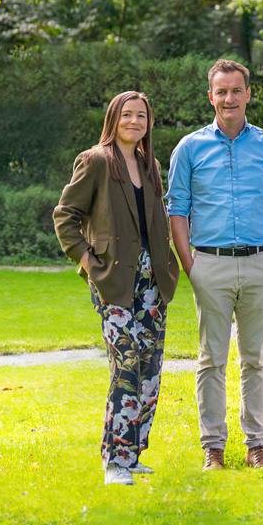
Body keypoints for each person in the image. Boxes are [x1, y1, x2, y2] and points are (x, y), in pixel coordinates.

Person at [166, 59, 263, 472]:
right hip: (211, 264)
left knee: (256, 358)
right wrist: (191, 265)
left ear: (248, 94)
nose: (229, 98)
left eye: (236, 90)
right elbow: (177, 210)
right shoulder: (189, 148)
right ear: (211, 97)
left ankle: (258, 444)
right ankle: (213, 448)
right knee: (211, 359)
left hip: (260, 264)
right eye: (221, 91)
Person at [54, 91, 179, 485]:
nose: (134, 122)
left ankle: (133, 453)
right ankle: (115, 462)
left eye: (141, 116)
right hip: (114, 279)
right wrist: (89, 262)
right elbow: (65, 216)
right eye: (127, 114)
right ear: (114, 118)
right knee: (125, 365)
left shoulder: (150, 165)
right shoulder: (95, 161)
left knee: (149, 369)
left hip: (152, 280)